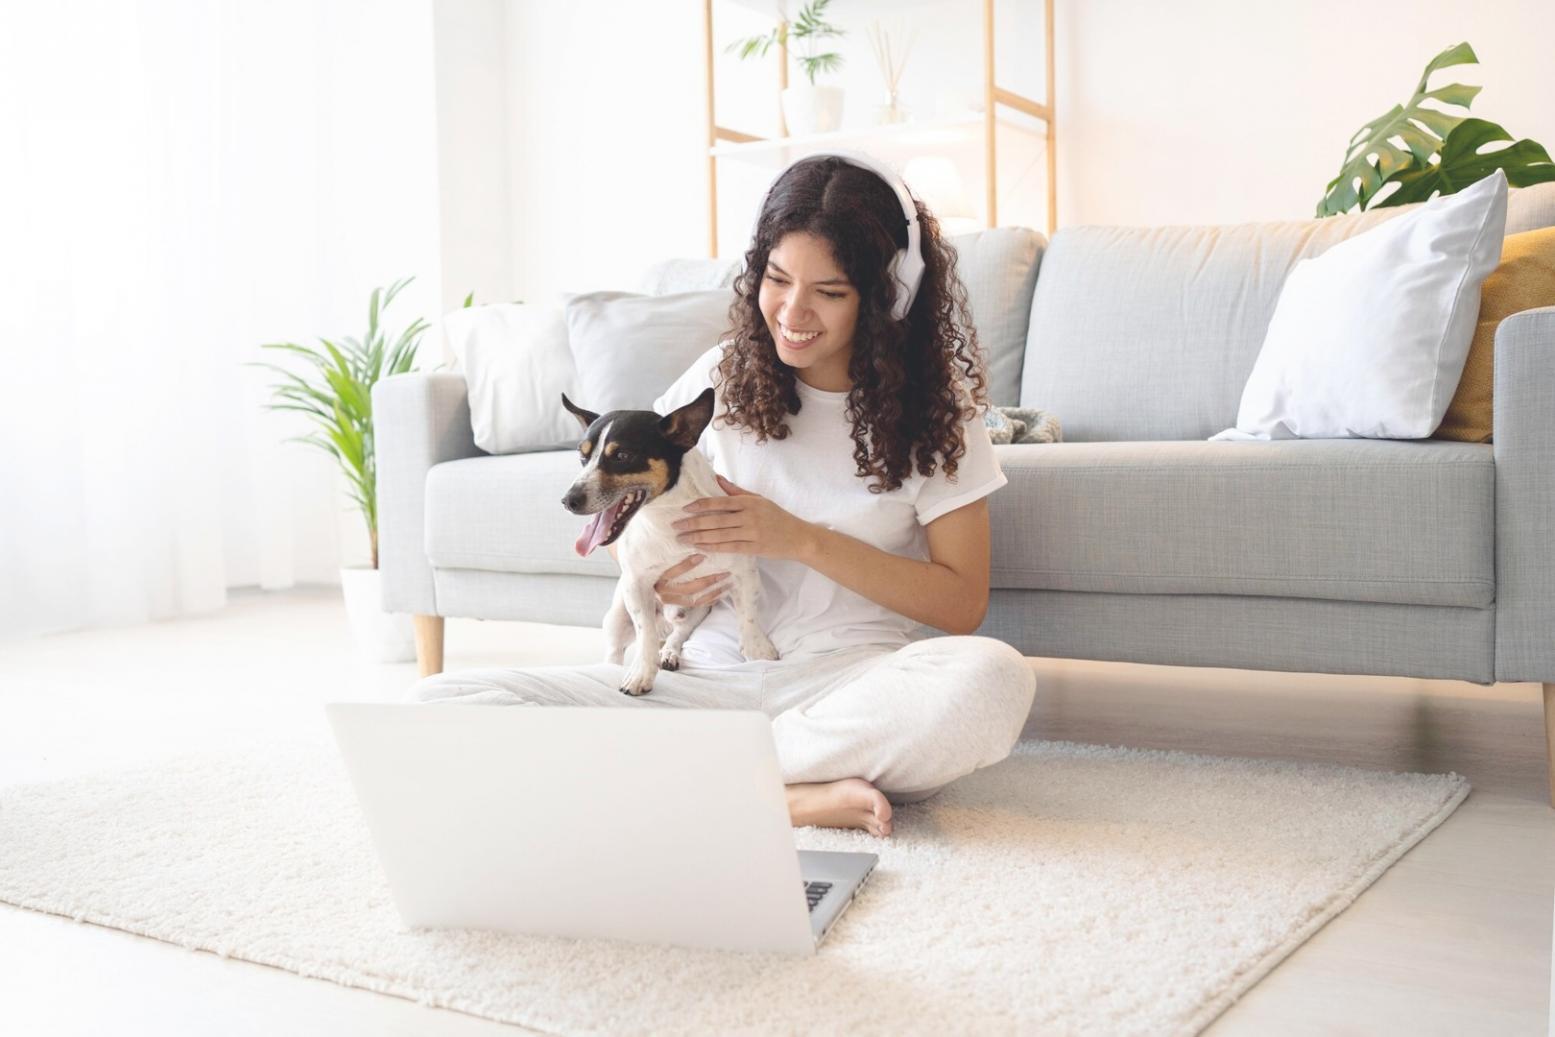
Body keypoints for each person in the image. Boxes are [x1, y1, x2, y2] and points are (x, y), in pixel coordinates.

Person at [407, 152, 1036, 838]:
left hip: (844, 687)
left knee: (993, 679)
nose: (792, 312)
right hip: (694, 680)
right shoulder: (721, 377)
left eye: (829, 292)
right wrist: (660, 577)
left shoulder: (939, 415)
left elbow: (960, 603)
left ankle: (686, 776)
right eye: (777, 279)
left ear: (887, 298)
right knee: (441, 701)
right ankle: (782, 790)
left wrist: (800, 539)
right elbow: (633, 509)